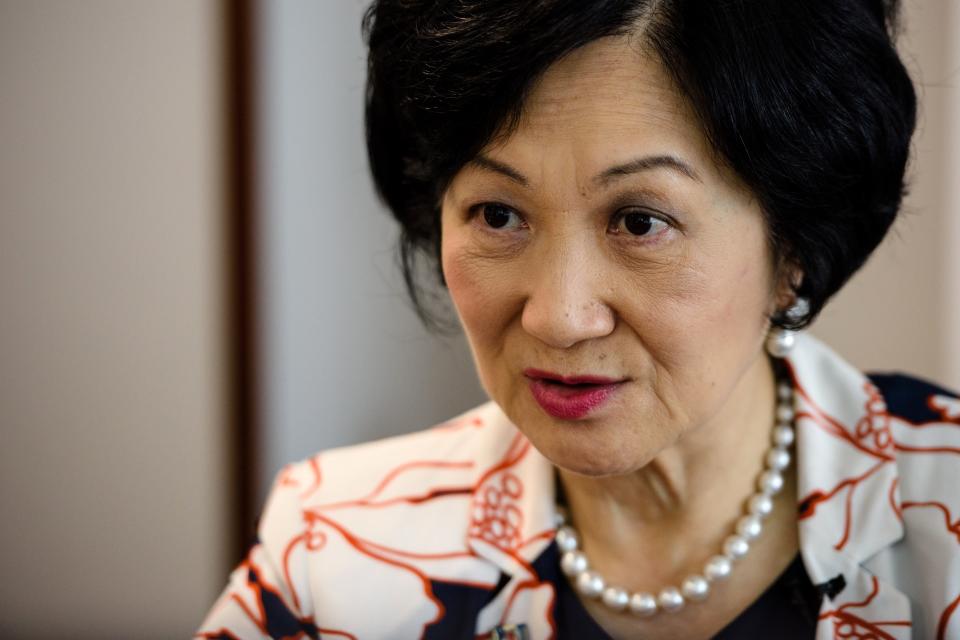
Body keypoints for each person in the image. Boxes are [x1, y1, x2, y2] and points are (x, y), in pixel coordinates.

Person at [197, 1, 960, 638]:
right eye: (498, 214)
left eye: (638, 222)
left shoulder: (944, 512)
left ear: (793, 246)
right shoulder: (334, 552)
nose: (559, 317)